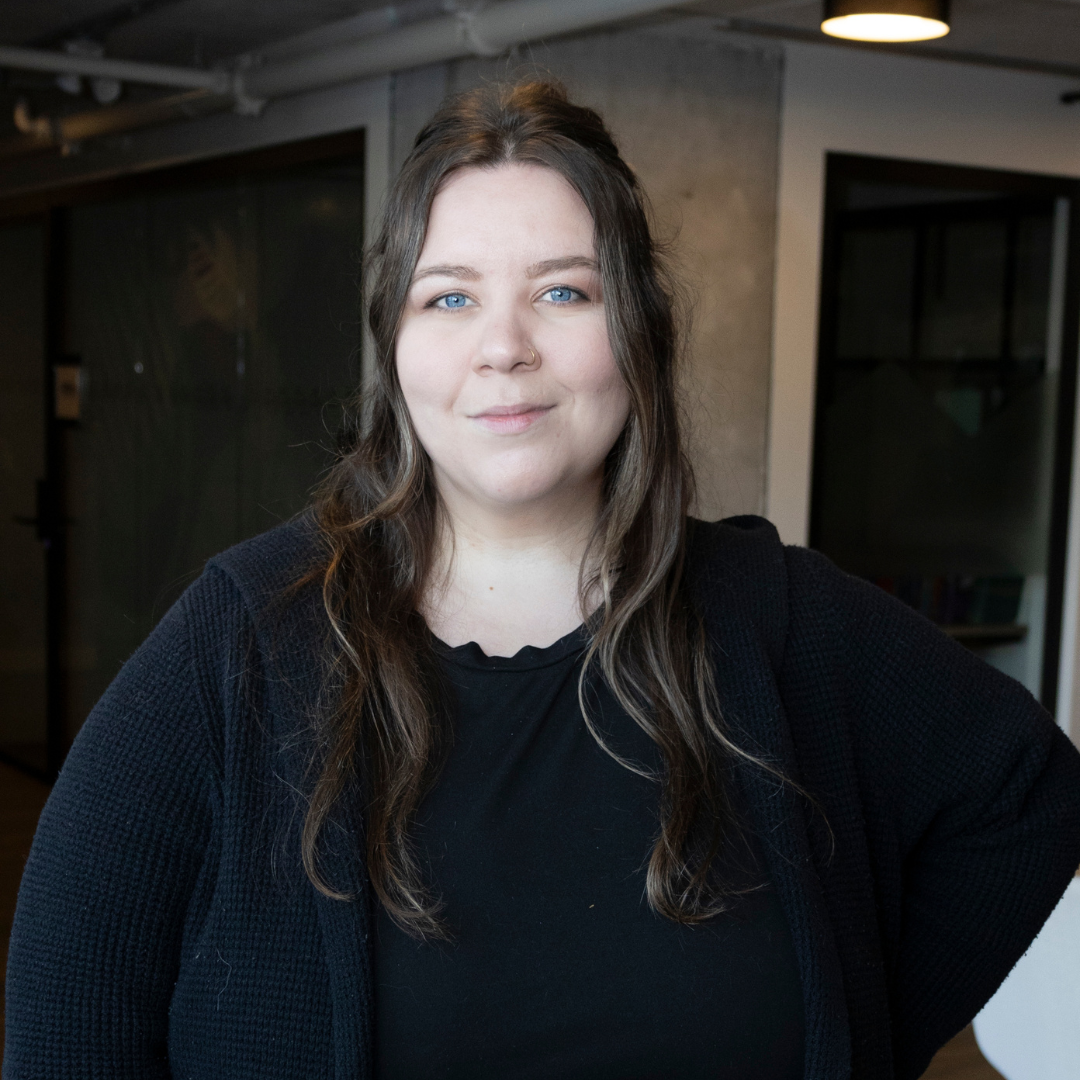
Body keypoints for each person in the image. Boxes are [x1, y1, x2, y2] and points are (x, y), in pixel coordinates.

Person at [5, 80, 1080, 1080]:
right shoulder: (239, 646)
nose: (504, 346)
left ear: (639, 330)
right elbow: (67, 1018)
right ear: (395, 345)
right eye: (451, 298)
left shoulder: (779, 621)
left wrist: (849, 1027)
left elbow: (1026, 795)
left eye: (564, 290)